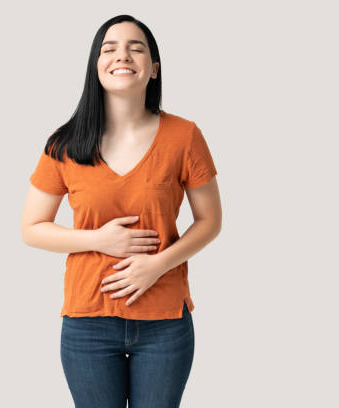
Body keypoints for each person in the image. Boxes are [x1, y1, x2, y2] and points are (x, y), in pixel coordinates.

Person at [20, 15, 222, 408]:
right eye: (108, 48)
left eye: (136, 47)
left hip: (165, 322)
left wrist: (157, 265)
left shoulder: (185, 136)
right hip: (88, 322)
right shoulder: (64, 143)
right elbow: (32, 228)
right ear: (96, 66)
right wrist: (98, 239)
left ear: (154, 68)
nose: (121, 55)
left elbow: (211, 221)